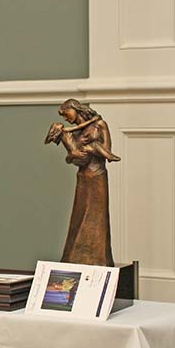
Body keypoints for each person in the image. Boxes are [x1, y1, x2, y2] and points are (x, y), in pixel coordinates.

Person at [44, 99, 119, 267]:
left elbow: (107, 149)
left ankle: (100, 260)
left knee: (97, 219)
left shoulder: (100, 124)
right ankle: (73, 258)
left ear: (74, 108)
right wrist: (73, 155)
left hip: (97, 176)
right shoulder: (73, 132)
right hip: (83, 177)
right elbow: (71, 158)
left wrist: (91, 149)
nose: (64, 117)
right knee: (78, 218)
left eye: (65, 112)